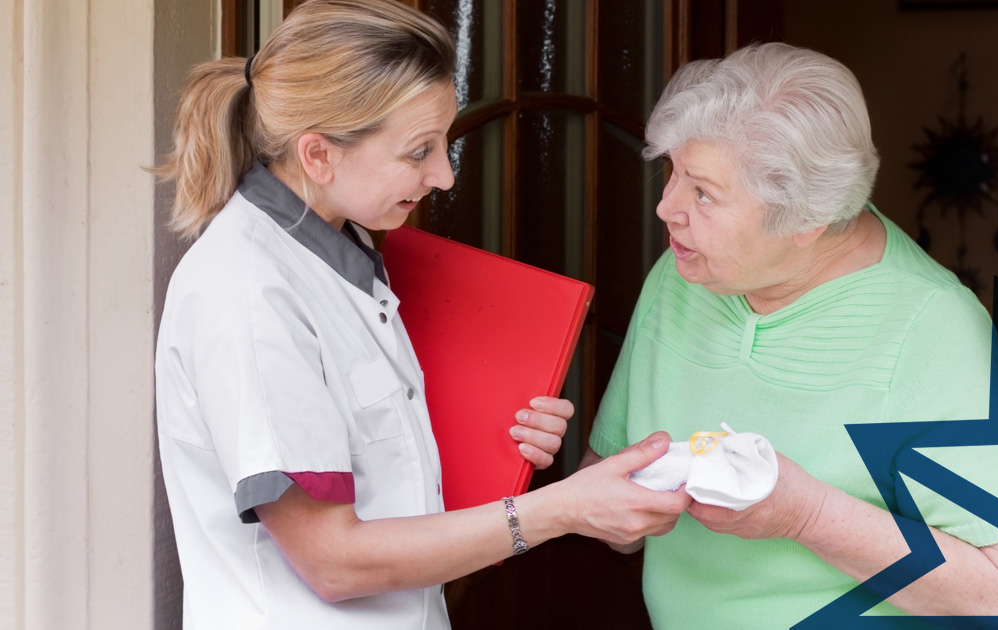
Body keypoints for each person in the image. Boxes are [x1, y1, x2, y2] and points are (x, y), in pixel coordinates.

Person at [153, 1, 688, 628]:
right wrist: (560, 511)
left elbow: (373, 465)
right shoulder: (247, 294)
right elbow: (333, 562)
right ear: (318, 155)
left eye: (444, 143)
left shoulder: (341, 246)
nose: (443, 175)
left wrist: (495, 442)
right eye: (419, 151)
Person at [583, 43, 998, 628]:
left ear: (807, 218)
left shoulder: (930, 326)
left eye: (703, 192)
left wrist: (802, 516)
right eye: (673, 172)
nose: (666, 207)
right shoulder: (683, 277)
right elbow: (609, 503)